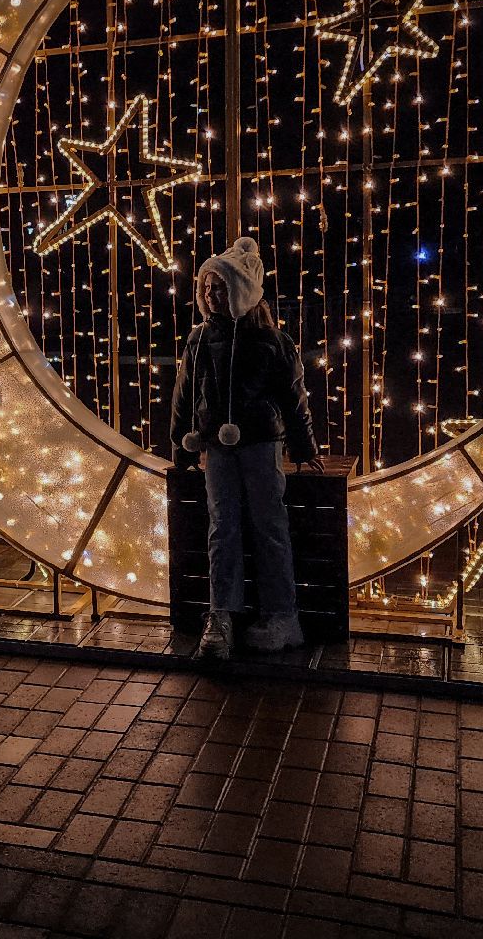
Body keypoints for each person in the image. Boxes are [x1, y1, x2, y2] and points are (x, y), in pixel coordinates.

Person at [169, 237, 321, 661]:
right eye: (206, 288)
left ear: (240, 291)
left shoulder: (272, 341)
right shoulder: (199, 340)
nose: (210, 296)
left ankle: (282, 614)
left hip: (259, 446)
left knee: (269, 527)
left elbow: (294, 397)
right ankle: (222, 615)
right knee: (223, 529)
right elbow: (184, 396)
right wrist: (181, 446)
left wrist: (304, 445)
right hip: (216, 448)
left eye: (219, 288)